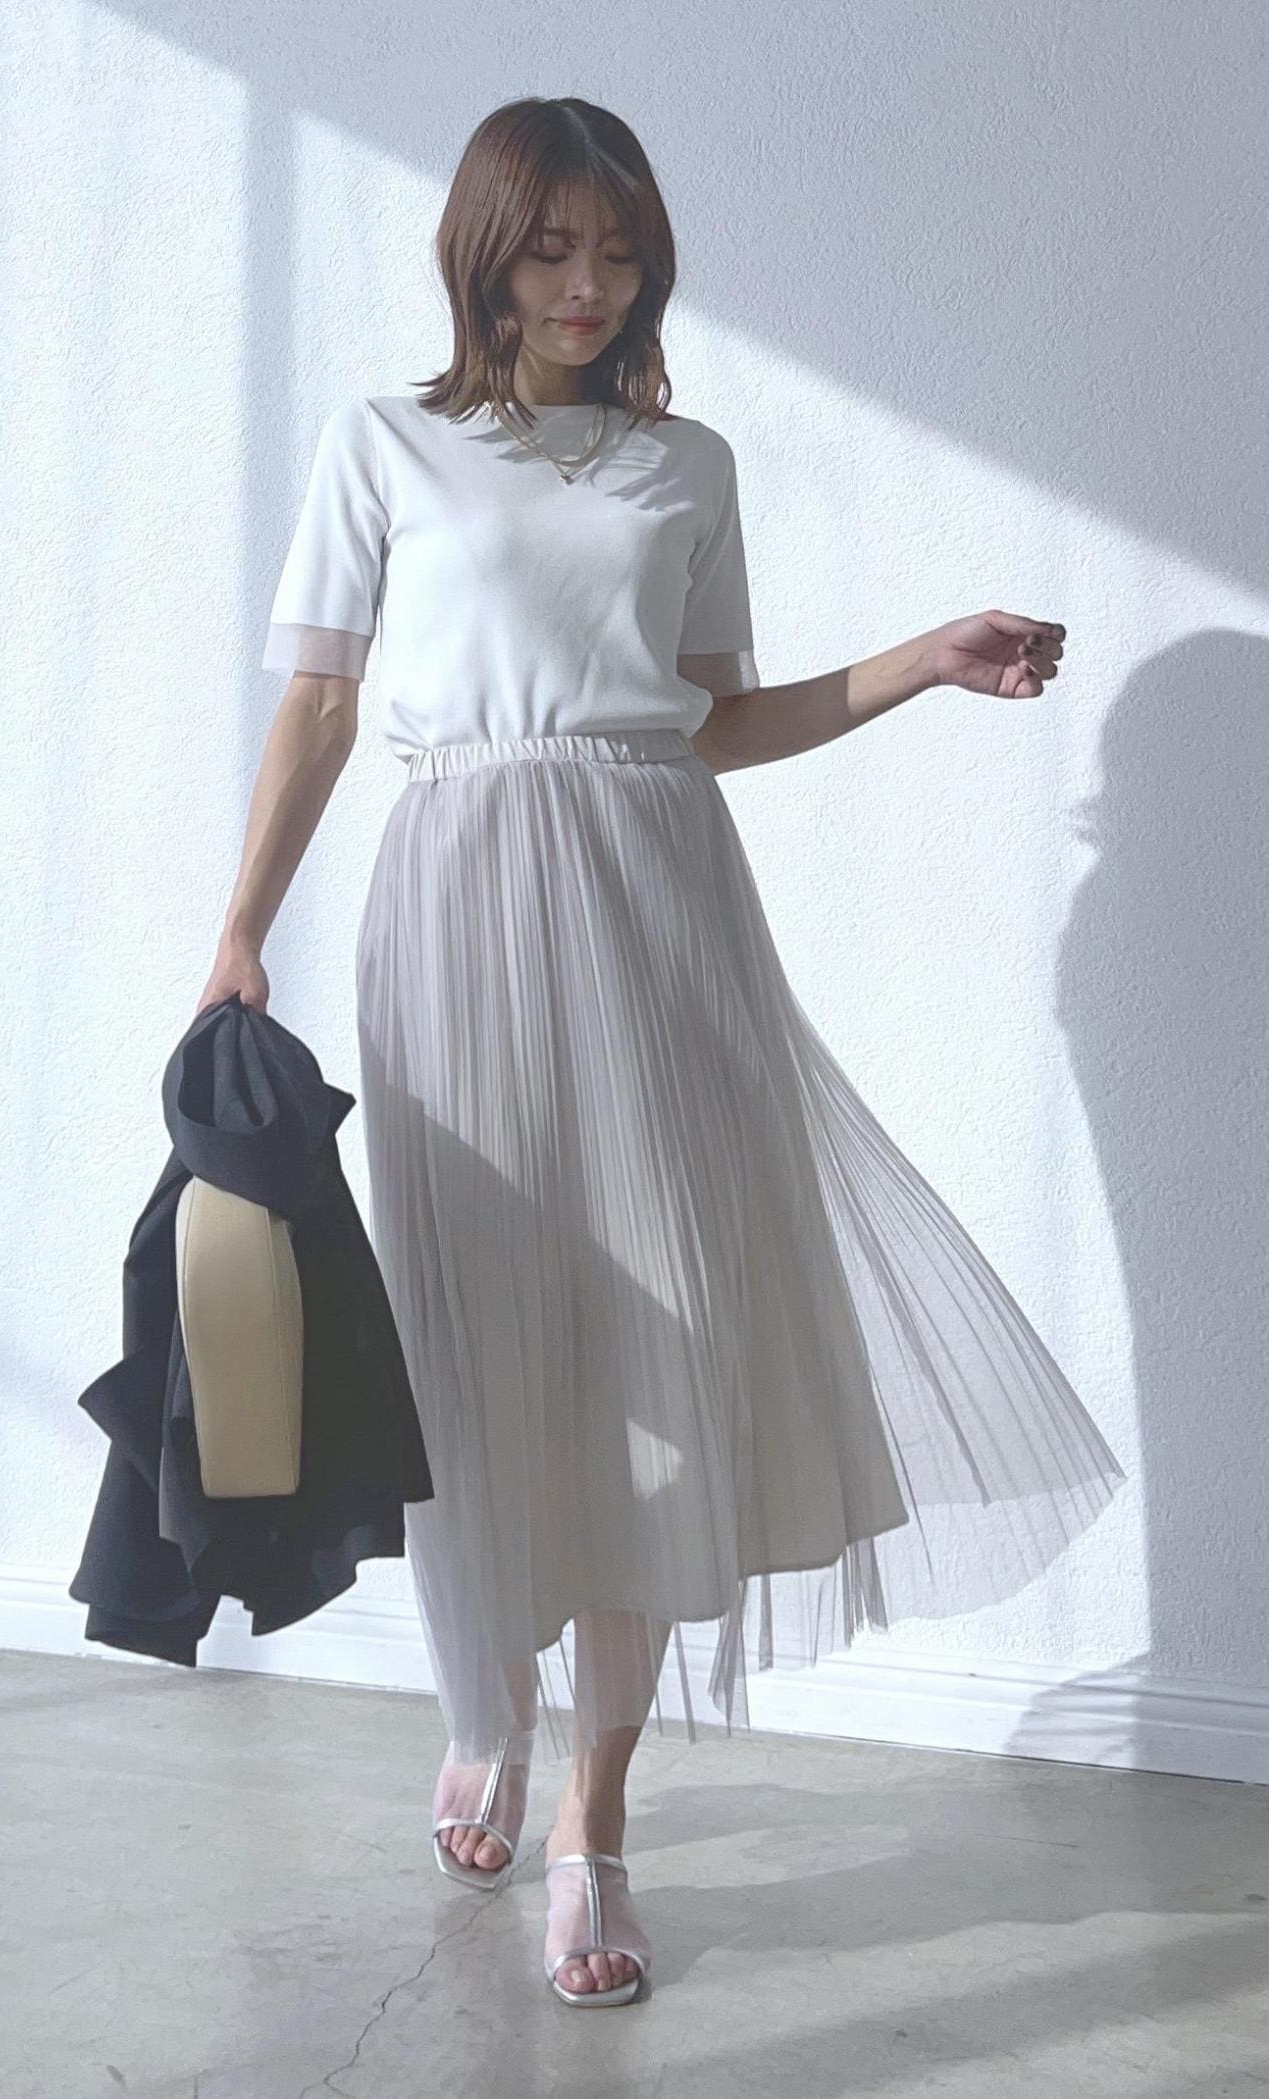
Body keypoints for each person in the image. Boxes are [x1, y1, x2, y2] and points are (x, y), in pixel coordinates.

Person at [196, 97, 1125, 2008]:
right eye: (553, 250)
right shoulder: (388, 442)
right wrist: (237, 929)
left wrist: (917, 663)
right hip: (455, 901)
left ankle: (593, 1819)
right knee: (468, 1345)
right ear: (485, 253)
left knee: (655, 1355)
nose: (589, 286)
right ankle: (485, 1708)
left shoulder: (685, 464)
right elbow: (321, 702)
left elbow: (711, 722)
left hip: (655, 901)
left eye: (620, 253)